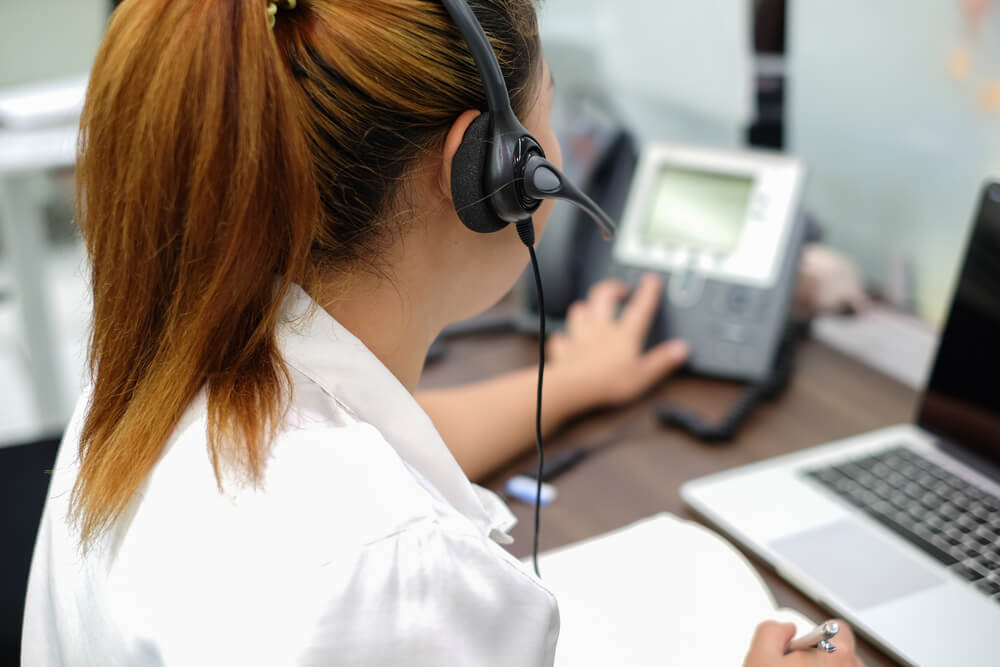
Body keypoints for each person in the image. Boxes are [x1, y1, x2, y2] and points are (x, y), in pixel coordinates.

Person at [21, 0, 862, 664]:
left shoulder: (165, 361)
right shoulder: (380, 585)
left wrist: (575, 381)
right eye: (549, 113)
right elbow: (370, 536)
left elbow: (381, 443)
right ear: (485, 169)